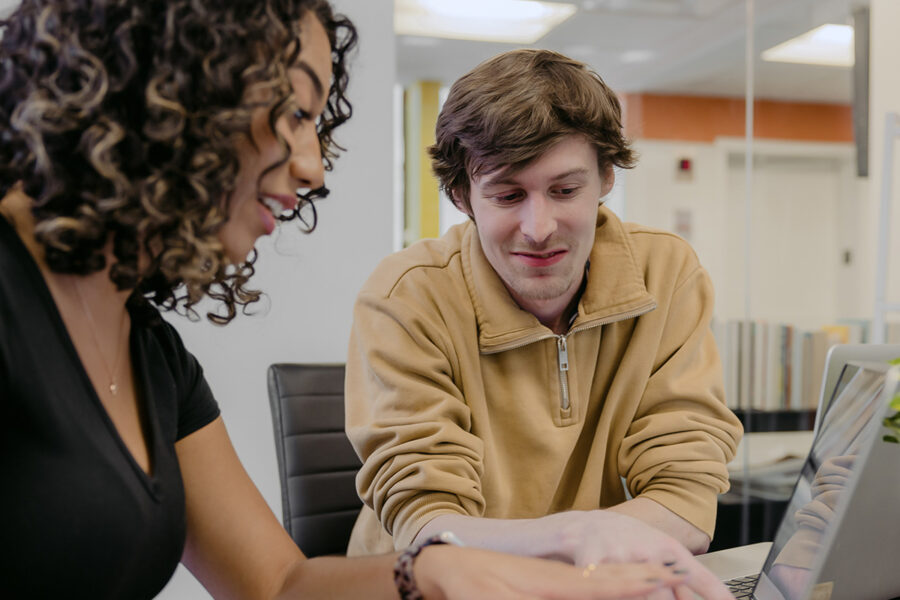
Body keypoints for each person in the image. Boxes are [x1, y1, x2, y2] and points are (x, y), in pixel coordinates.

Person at [0, 1, 694, 599]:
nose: (311, 164)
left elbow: (278, 584)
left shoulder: (149, 353)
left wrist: (440, 571)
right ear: (168, 92)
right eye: (294, 115)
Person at [344, 48, 744, 600]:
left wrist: (594, 551)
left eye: (564, 190)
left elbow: (687, 494)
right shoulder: (405, 296)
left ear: (605, 178)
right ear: (462, 196)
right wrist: (585, 536)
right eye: (508, 195)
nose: (539, 227)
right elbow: (429, 528)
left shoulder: (666, 274)